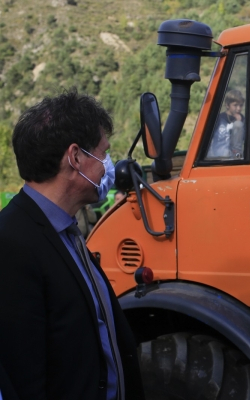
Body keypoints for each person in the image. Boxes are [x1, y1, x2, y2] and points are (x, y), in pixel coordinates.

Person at [0, 90, 144, 400]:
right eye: (102, 153)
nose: (107, 164)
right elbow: (24, 377)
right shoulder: (11, 243)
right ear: (76, 157)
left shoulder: (66, 230)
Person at [207, 89, 245, 159]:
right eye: (235, 105)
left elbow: (244, 140)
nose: (239, 108)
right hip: (218, 155)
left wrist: (239, 123)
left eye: (241, 105)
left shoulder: (243, 120)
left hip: (235, 156)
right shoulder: (219, 119)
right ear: (227, 105)